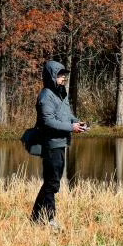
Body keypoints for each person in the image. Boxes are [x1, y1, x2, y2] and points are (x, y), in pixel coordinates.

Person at [30, 60, 87, 229]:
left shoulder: (61, 93)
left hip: (60, 143)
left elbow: (66, 115)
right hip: (51, 144)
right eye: (60, 75)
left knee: (51, 182)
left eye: (64, 75)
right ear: (52, 76)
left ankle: (35, 218)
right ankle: (49, 219)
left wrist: (77, 123)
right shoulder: (46, 96)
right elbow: (48, 121)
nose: (63, 78)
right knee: (52, 183)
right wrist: (71, 127)